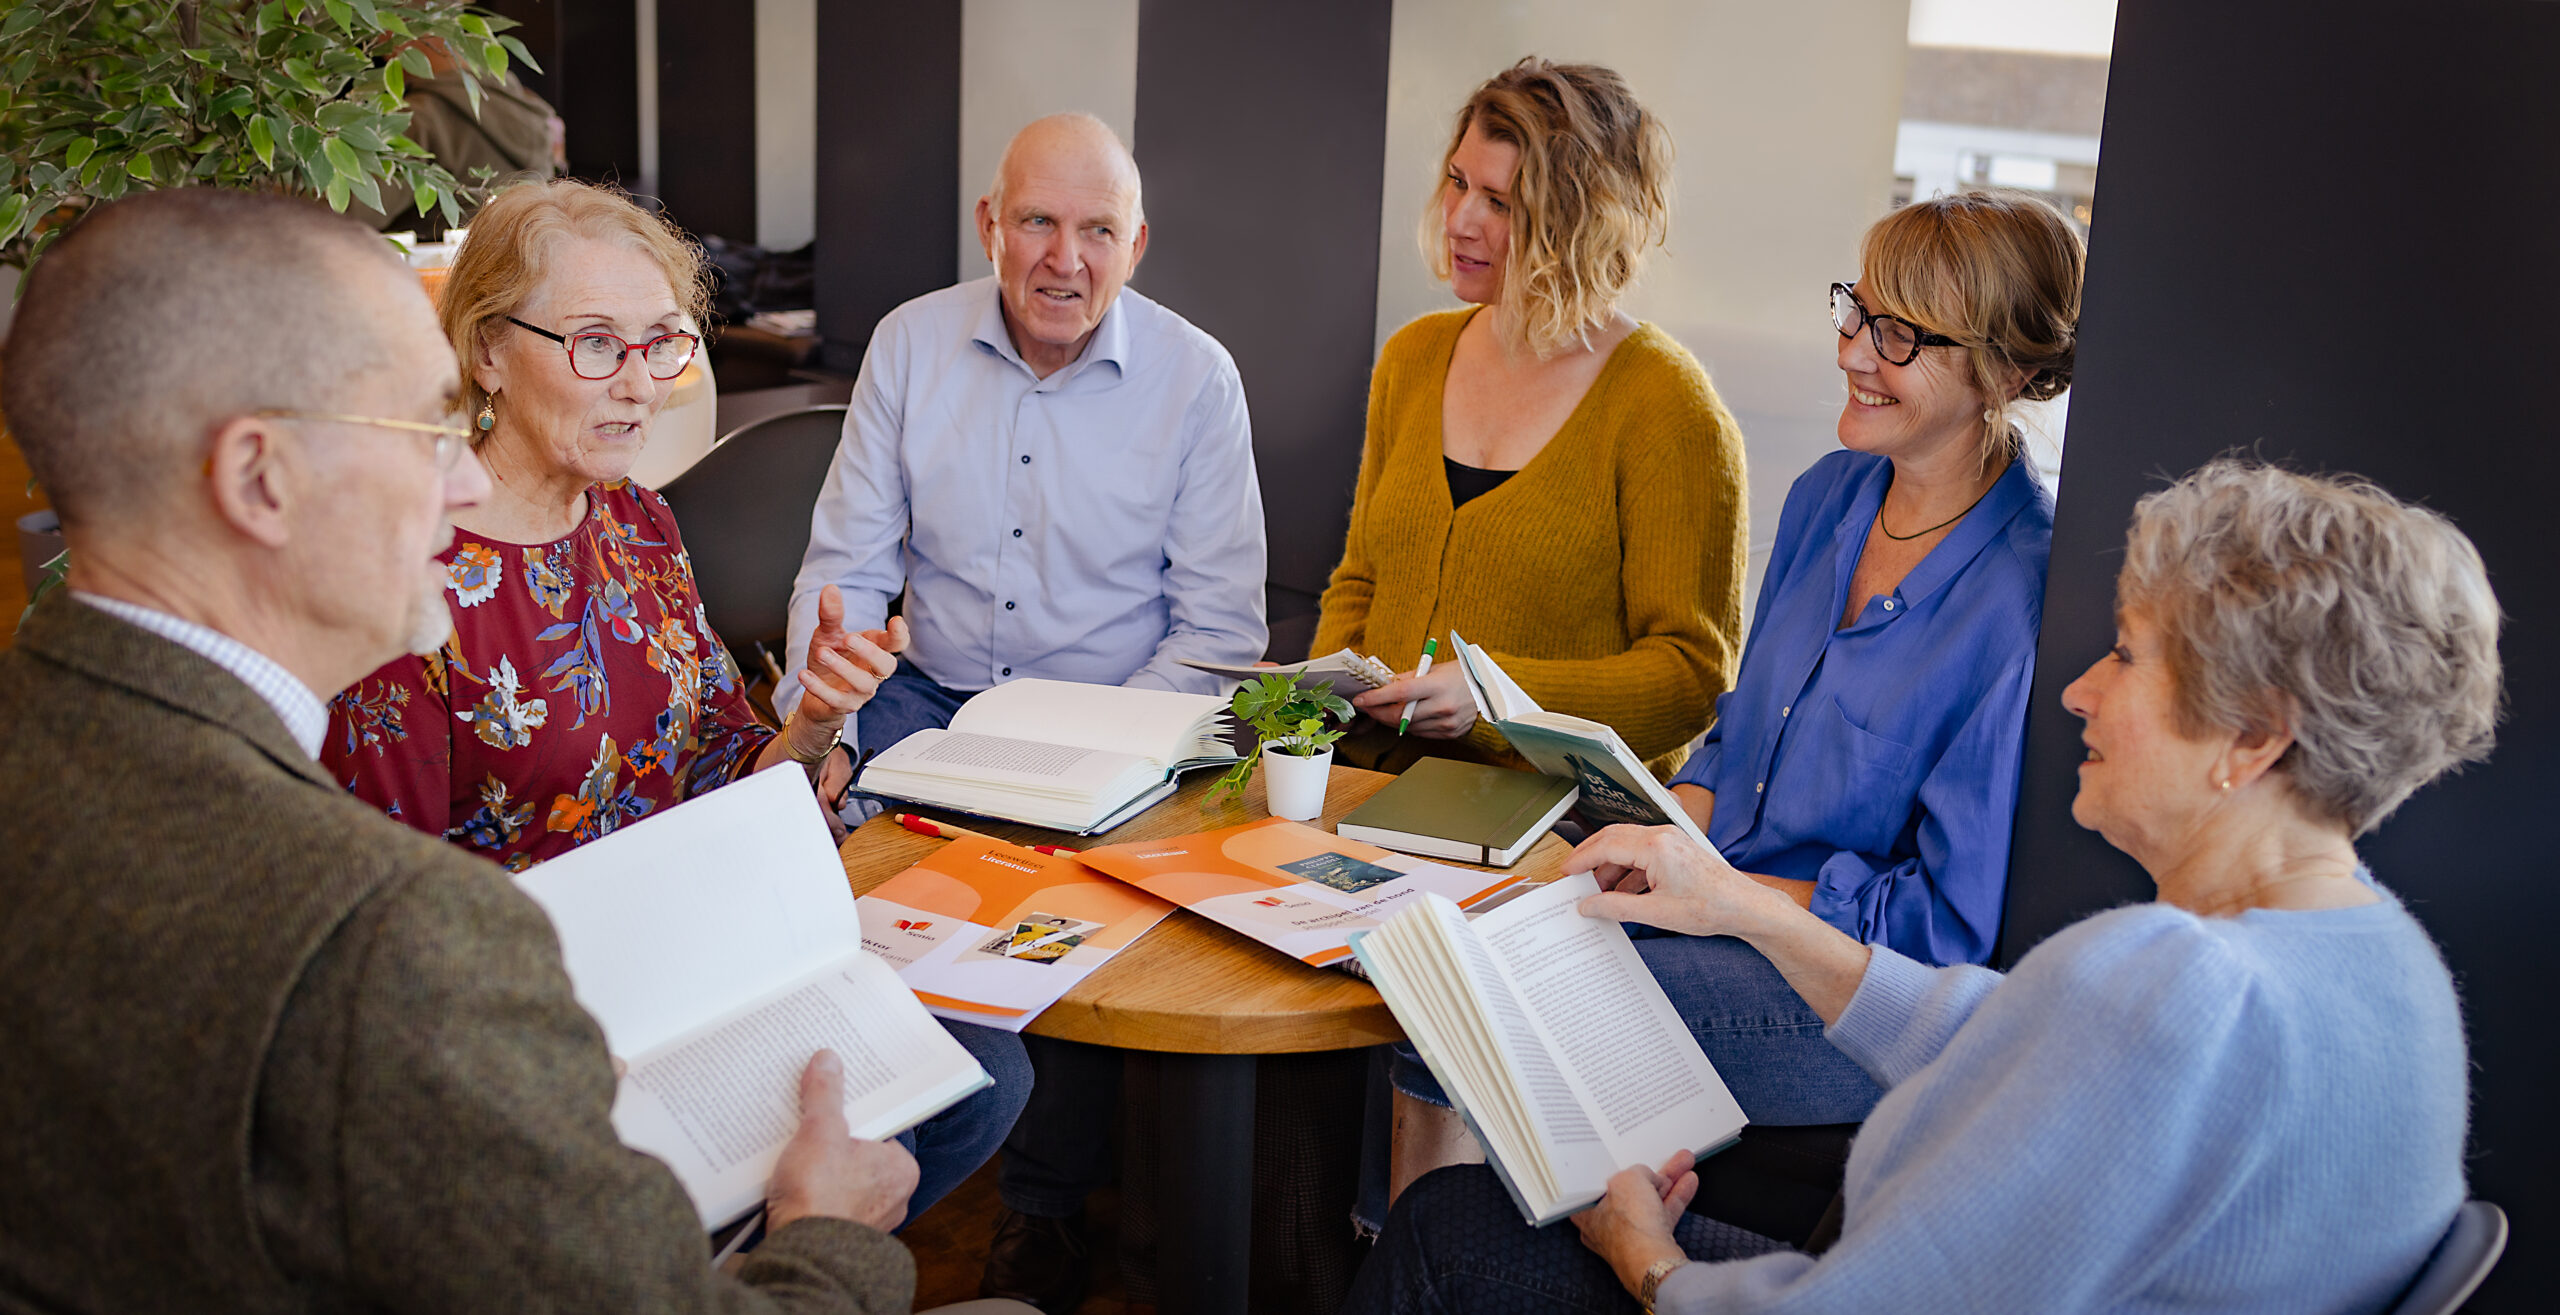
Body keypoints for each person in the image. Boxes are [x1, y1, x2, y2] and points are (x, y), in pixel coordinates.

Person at [0, 188, 918, 1310]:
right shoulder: (395, 940)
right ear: (258, 478)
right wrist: (827, 1236)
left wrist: (805, 728)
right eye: (424, 428)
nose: (470, 478)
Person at [1346, 459, 2495, 1314]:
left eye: (2131, 655)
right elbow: (2005, 1034)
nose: (2078, 693)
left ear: (2250, 736)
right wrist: (1740, 904)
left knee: (1455, 1227)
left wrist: (1648, 1255)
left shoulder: (2165, 988)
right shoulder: (2391, 968)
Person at [320, 177, 1028, 1224]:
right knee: (904, 1119)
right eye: (596, 343)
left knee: (984, 1070)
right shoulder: (411, 578)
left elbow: (726, 777)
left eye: (663, 342)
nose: (640, 384)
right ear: (482, 350)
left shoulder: (638, 524)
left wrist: (816, 718)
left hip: (709, 960)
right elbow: (391, 929)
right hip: (552, 1024)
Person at [1388, 192, 2086, 1195]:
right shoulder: (1828, 496)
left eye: (1899, 335)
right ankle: (1419, 1249)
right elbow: (1730, 748)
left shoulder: (2023, 600)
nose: (1852, 352)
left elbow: (1940, 926)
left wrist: (1718, 896)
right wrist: (1664, 845)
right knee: (1439, 946)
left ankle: (1424, 1255)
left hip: (1834, 989)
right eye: (1856, 310)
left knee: (1469, 1008)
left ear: (2006, 373)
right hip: (1710, 902)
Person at [775, 113, 1265, 1314]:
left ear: (1136, 243)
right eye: (1038, 221)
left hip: (1118, 718)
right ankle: (804, 1184)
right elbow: (840, 572)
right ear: (990, 226)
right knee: (813, 891)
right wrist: (823, 724)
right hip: (924, 702)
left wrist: (1065, 758)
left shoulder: (1196, 379)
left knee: (1061, 901)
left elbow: (1216, 638)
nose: (1065, 258)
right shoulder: (908, 343)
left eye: (1097, 229)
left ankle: (1039, 1214)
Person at [1315, 58, 1747, 781]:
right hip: (1359, 785)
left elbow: (1691, 676)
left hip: (1549, 824)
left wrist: (1495, 698)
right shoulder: (1413, 357)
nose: (1460, 220)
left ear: (1582, 224)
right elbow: (1361, 579)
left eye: (1501, 202)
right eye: (1458, 182)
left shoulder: (1668, 407)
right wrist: (1319, 703)